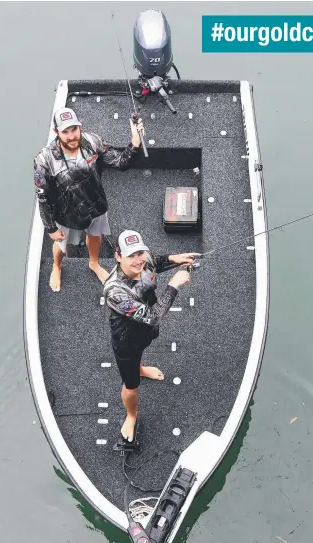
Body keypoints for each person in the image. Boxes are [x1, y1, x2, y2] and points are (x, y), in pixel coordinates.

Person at [103, 230, 201, 444]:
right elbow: (153, 317)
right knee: (131, 385)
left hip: (144, 333)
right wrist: (173, 285)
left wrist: (175, 259)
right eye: (131, 256)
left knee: (140, 355)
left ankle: (141, 368)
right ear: (118, 257)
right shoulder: (114, 292)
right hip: (126, 342)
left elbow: (154, 261)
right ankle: (131, 415)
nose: (138, 261)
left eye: (140, 253)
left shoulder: (143, 261)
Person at [33, 107, 145, 291]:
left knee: (95, 237)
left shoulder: (94, 142)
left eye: (74, 129)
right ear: (56, 132)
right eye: (65, 132)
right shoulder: (44, 160)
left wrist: (135, 139)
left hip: (95, 205)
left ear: (80, 127)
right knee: (61, 244)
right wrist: (51, 228)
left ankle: (93, 263)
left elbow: (121, 162)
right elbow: (42, 197)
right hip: (65, 214)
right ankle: (57, 266)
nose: (71, 136)